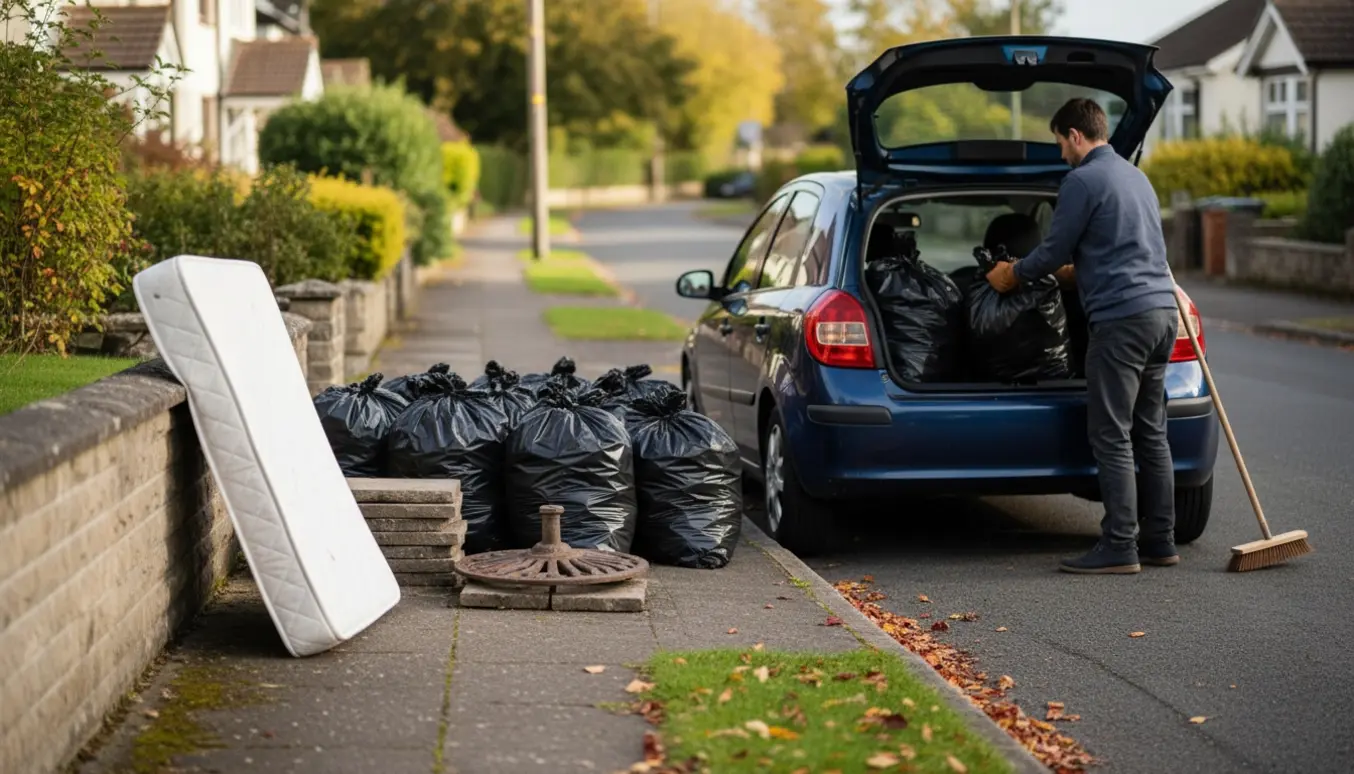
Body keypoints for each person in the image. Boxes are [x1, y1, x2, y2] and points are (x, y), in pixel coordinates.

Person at [985, 98, 1180, 574]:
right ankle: (1160, 540)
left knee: (1111, 434)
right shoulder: (1137, 178)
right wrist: (1082, 272)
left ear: (1075, 135)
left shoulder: (1082, 180)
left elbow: (1052, 250)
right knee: (1151, 432)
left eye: (1059, 143)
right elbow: (1130, 247)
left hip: (1120, 321)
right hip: (1162, 314)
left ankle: (1118, 546)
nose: (1060, 155)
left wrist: (1014, 274)